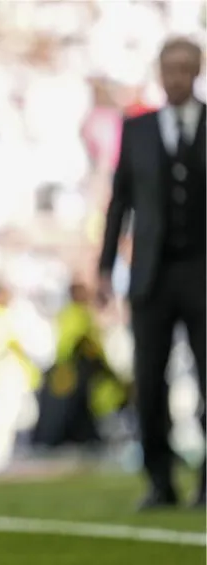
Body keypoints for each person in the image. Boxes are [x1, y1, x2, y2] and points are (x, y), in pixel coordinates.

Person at [98, 37, 206, 510]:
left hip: (203, 273)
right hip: (152, 278)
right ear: (159, 72)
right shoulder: (136, 129)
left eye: (185, 68)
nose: (176, 77)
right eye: (169, 68)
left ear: (198, 71)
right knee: (149, 379)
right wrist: (105, 267)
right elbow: (119, 202)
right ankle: (160, 481)